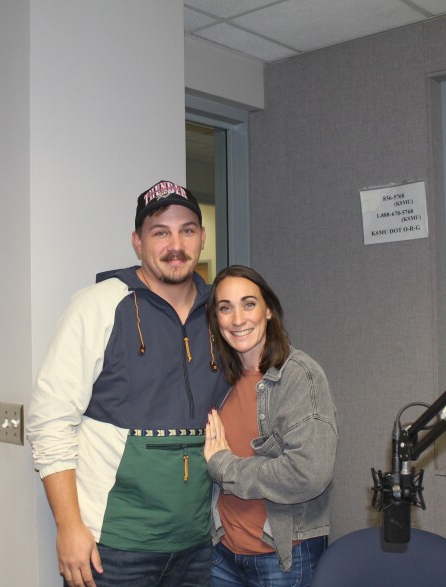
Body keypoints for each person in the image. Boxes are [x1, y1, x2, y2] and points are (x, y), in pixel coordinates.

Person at [26, 180, 230, 587]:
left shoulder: (222, 314)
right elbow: (50, 422)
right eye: (160, 232)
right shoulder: (97, 305)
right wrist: (69, 528)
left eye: (187, 230)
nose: (176, 243)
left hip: (198, 545)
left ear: (202, 238)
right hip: (113, 550)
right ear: (137, 242)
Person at [203, 265, 338, 586]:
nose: (238, 319)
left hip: (281, 556)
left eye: (249, 304)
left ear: (269, 312)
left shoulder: (301, 377)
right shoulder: (218, 379)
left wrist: (225, 467)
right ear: (216, 321)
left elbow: (309, 475)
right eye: (226, 308)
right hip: (222, 551)